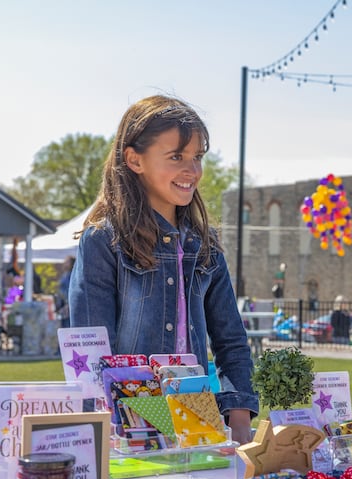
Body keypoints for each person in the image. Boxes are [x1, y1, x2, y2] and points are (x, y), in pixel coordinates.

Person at [68, 95, 257, 444]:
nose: (192, 170)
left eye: (197, 157)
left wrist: (241, 423)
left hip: (200, 421)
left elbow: (231, 341)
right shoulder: (102, 241)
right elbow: (92, 348)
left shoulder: (206, 245)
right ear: (134, 160)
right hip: (129, 425)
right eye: (176, 157)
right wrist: (110, 427)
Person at [56, 255, 75, 329]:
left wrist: (68, 304)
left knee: (68, 327)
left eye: (67, 262)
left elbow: (70, 290)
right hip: (62, 305)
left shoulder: (71, 275)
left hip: (68, 306)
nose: (64, 263)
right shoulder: (65, 275)